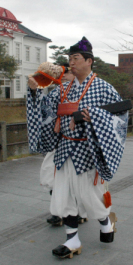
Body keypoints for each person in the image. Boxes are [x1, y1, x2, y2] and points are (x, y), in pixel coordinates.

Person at [27, 37, 128, 259]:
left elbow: (120, 114)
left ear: (89, 61)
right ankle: (72, 239)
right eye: (70, 58)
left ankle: (106, 221)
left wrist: (91, 115)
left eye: (76, 58)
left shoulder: (103, 88)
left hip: (89, 150)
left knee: (89, 196)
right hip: (64, 149)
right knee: (64, 196)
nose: (71, 62)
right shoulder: (63, 89)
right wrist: (35, 92)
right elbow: (46, 110)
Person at [40, 68, 87, 227]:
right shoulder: (56, 92)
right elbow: (44, 110)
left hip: (78, 145)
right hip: (57, 143)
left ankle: (79, 211)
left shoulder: (86, 91)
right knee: (51, 177)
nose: (64, 75)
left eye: (67, 72)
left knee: (75, 181)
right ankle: (58, 212)